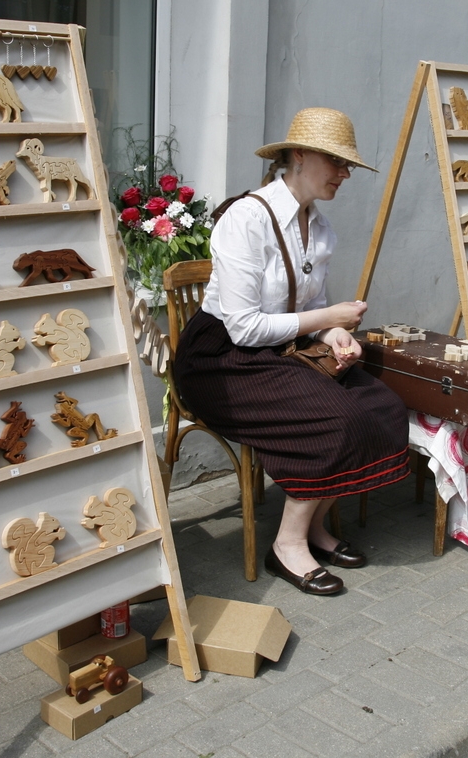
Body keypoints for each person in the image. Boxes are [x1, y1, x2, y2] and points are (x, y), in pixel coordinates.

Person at [171, 107, 410, 596]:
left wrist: (333, 337)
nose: (345, 175)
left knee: (381, 405)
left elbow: (312, 306)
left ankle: (317, 528)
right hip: (220, 361)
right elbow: (242, 327)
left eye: (348, 166)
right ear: (298, 156)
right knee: (336, 419)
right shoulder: (245, 219)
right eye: (337, 162)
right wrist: (328, 320)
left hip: (279, 349)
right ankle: (288, 545)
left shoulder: (318, 228)